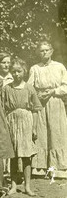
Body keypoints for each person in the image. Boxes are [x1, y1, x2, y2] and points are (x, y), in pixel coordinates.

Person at [2, 58, 42, 196]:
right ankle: (13, 185)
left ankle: (27, 186)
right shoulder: (7, 88)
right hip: (11, 122)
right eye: (13, 71)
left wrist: (34, 128)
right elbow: (2, 108)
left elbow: (36, 109)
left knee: (26, 156)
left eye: (19, 71)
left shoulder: (29, 88)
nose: (16, 74)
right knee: (13, 155)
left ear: (24, 71)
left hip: (26, 122)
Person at [27, 41, 67, 171]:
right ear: (38, 52)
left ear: (51, 51)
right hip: (40, 103)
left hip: (55, 101)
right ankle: (40, 166)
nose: (44, 53)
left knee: (56, 132)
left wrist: (53, 91)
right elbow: (29, 87)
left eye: (46, 50)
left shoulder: (59, 67)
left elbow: (65, 86)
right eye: (41, 50)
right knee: (41, 131)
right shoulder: (35, 68)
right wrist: (36, 95)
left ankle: (58, 166)